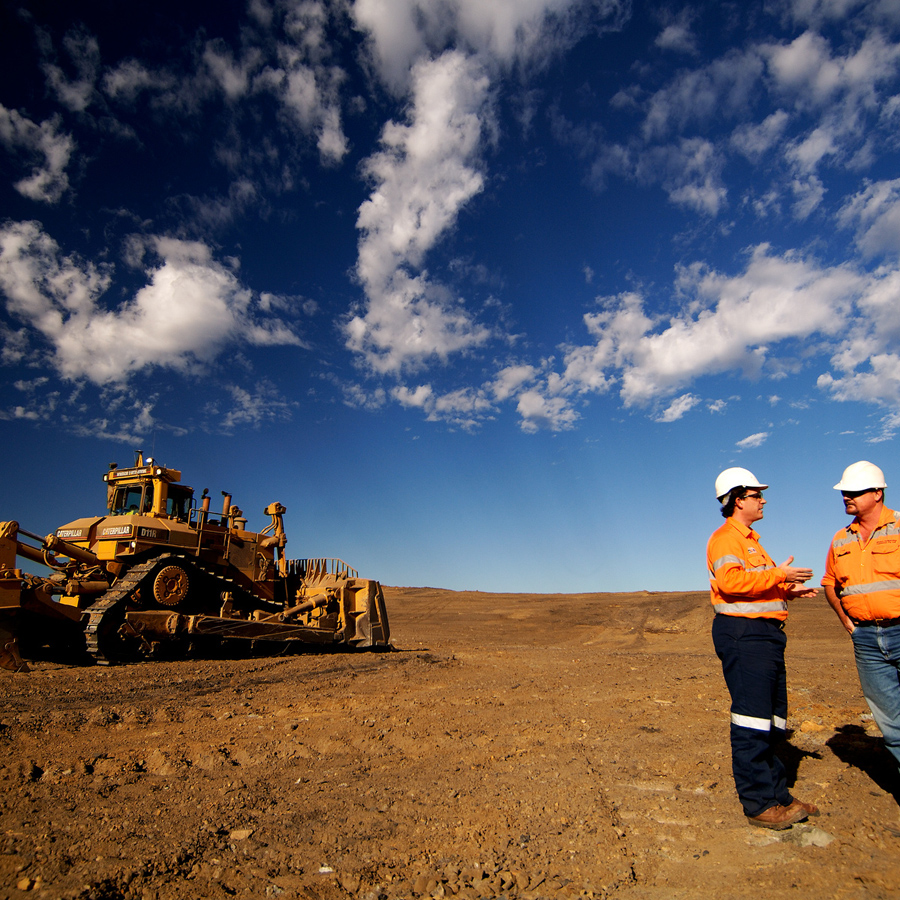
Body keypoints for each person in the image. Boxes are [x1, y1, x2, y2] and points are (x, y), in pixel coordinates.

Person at [707, 467, 820, 829]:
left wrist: (788, 591)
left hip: (766, 635)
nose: (763, 500)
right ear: (739, 500)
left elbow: (756, 584)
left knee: (773, 720)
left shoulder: (752, 541)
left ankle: (777, 794)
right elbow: (731, 581)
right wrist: (780, 576)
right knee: (752, 720)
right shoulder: (726, 539)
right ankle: (759, 804)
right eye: (756, 495)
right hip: (744, 635)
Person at [822, 461, 900, 774]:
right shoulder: (841, 538)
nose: (846, 497)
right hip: (866, 639)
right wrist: (846, 620)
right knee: (891, 723)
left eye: (854, 492)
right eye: (844, 492)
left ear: (878, 493)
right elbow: (830, 583)